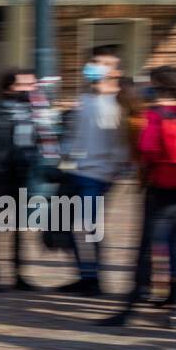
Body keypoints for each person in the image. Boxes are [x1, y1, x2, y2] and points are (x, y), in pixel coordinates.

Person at [101, 66, 176, 328]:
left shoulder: (156, 113)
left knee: (147, 248)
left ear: (158, 85)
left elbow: (147, 148)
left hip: (163, 187)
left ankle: (129, 309)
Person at [57, 48, 130, 296]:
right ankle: (85, 275)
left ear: (116, 71)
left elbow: (121, 142)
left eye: (105, 63)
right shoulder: (85, 100)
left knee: (89, 226)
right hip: (77, 170)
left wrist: (115, 169)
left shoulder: (120, 101)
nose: (97, 66)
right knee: (67, 224)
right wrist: (61, 155)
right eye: (94, 62)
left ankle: (93, 278)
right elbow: (74, 135)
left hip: (99, 174)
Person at [0, 68, 51, 291]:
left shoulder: (36, 112)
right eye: (25, 85)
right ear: (9, 88)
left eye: (33, 84)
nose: (31, 89)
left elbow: (47, 137)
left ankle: (18, 276)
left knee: (18, 226)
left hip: (24, 173)